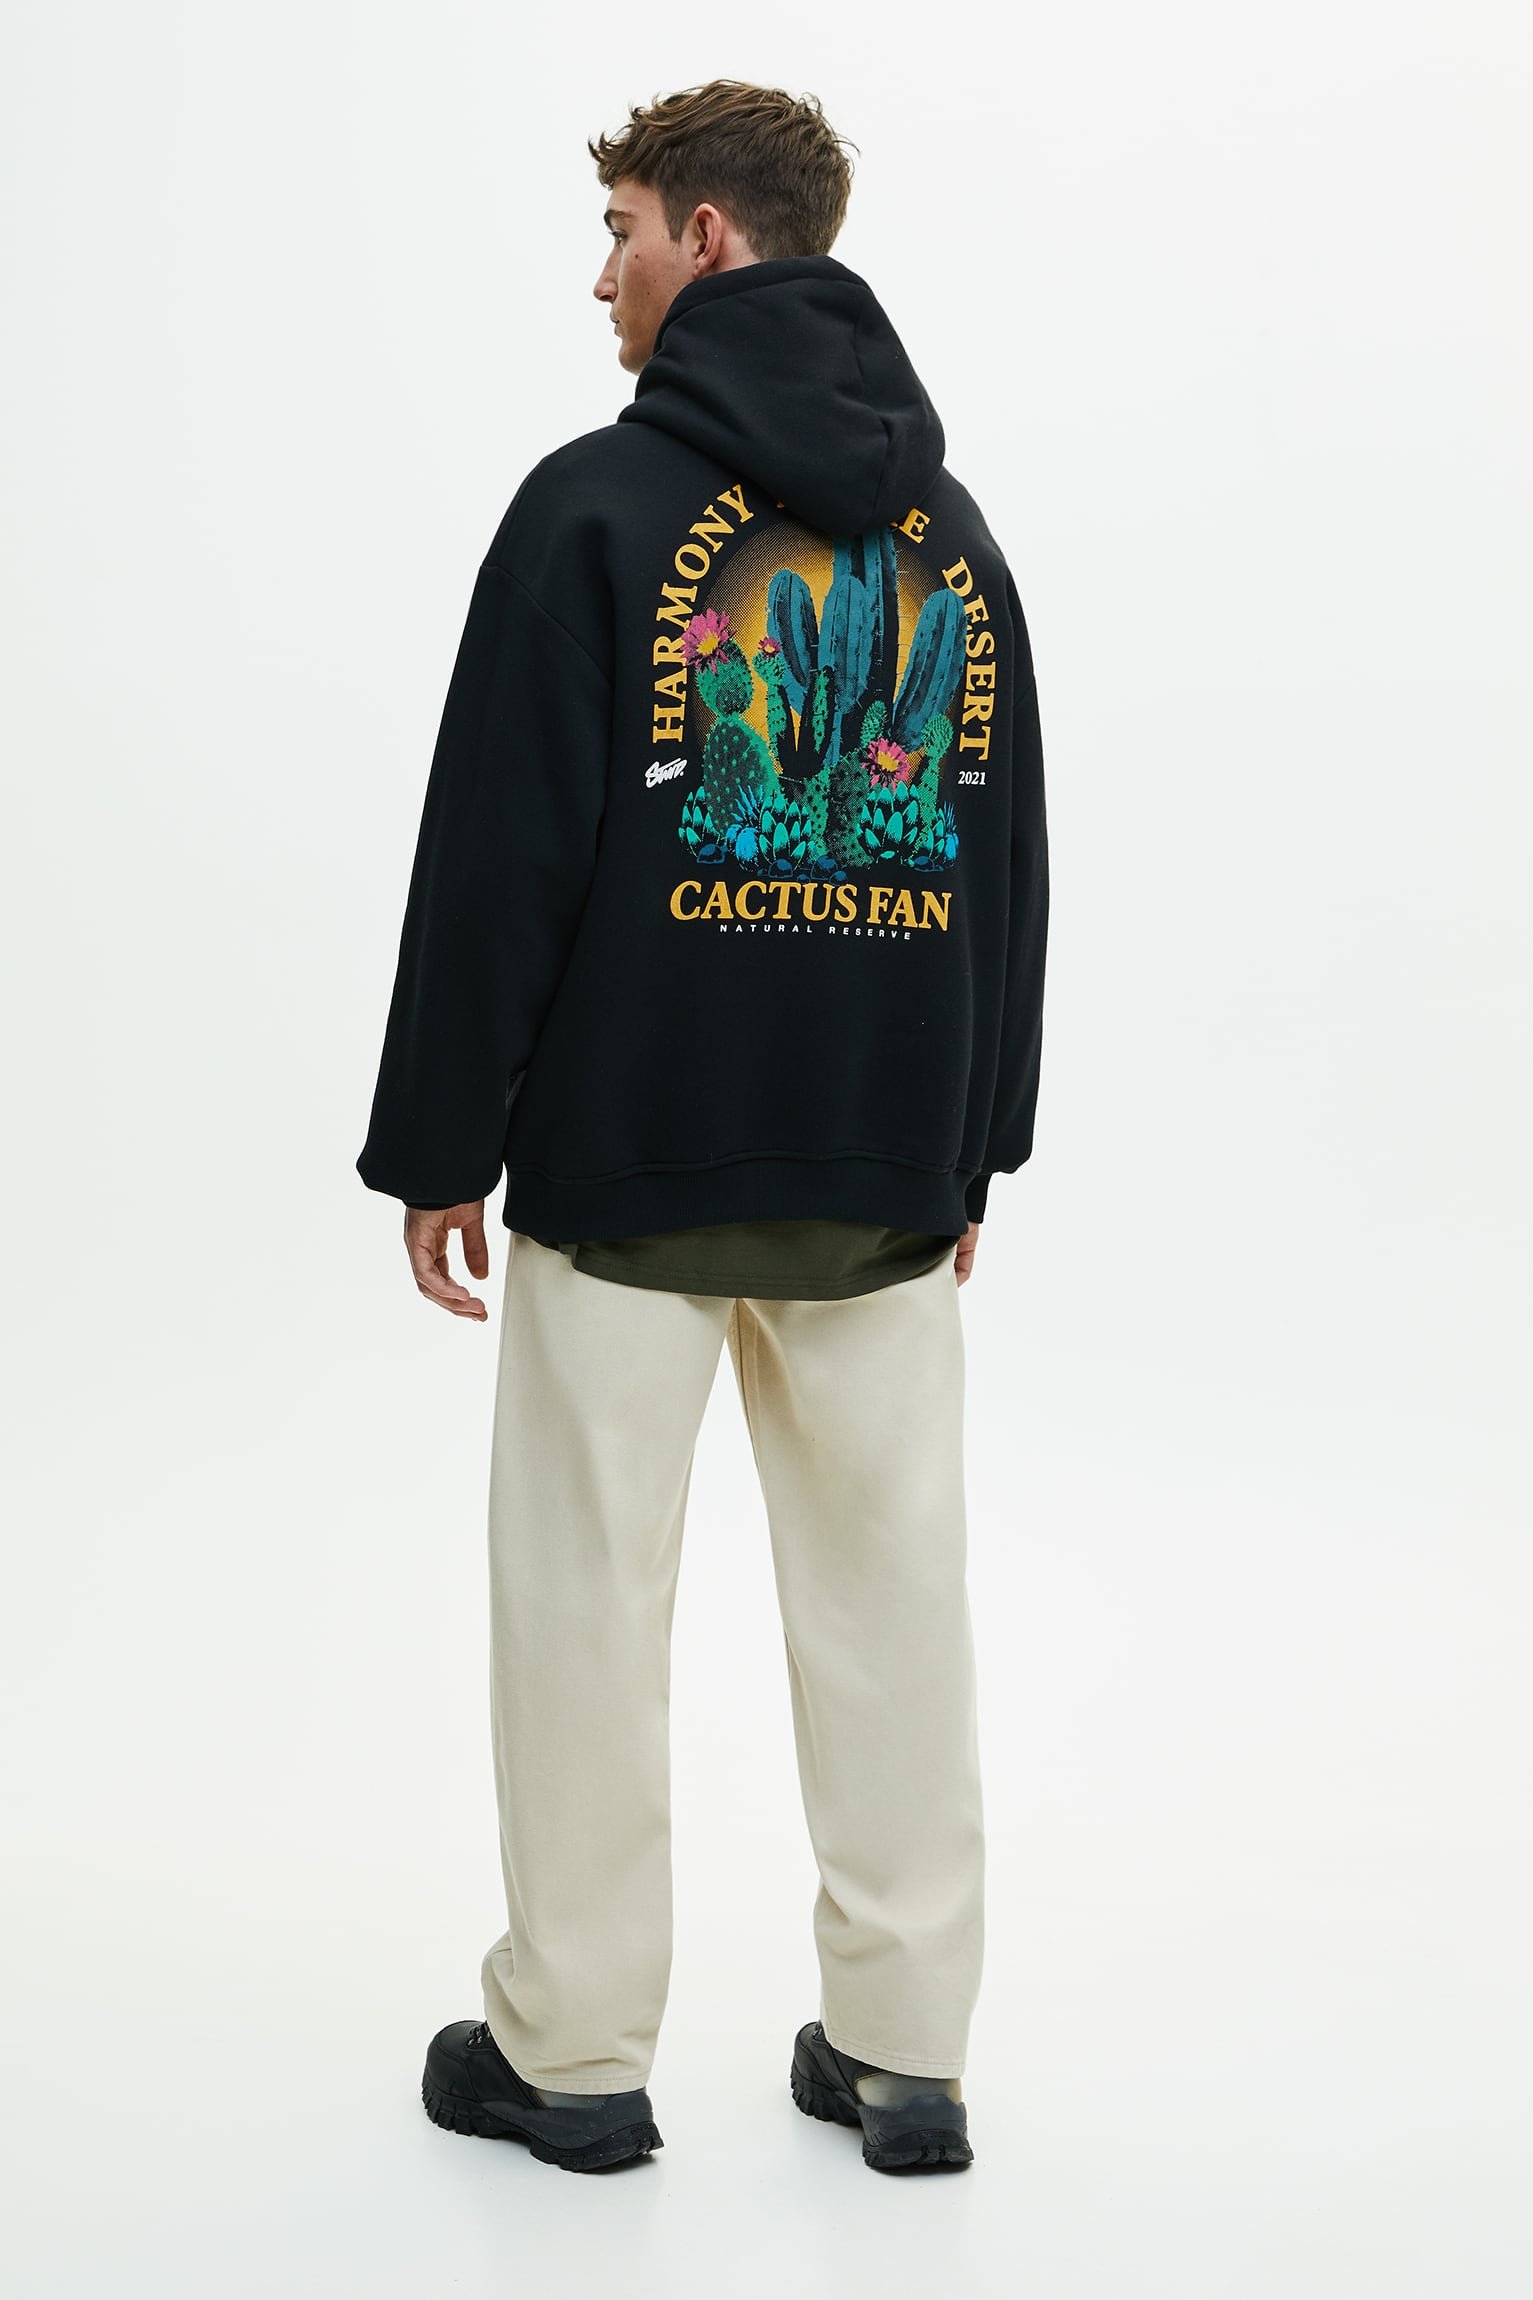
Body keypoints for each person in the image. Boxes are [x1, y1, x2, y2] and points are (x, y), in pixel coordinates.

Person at [356, 78, 1049, 2176]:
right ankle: (904, 2052)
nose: (605, 276)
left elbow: (500, 850)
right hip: (874, 1164)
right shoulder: (949, 534)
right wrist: (974, 1144)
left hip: (629, 1160)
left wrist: (439, 1140)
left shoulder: (590, 509)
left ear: (712, 242)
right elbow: (1000, 860)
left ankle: (570, 2058)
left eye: (627, 230)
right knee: (893, 1599)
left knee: (585, 1600)